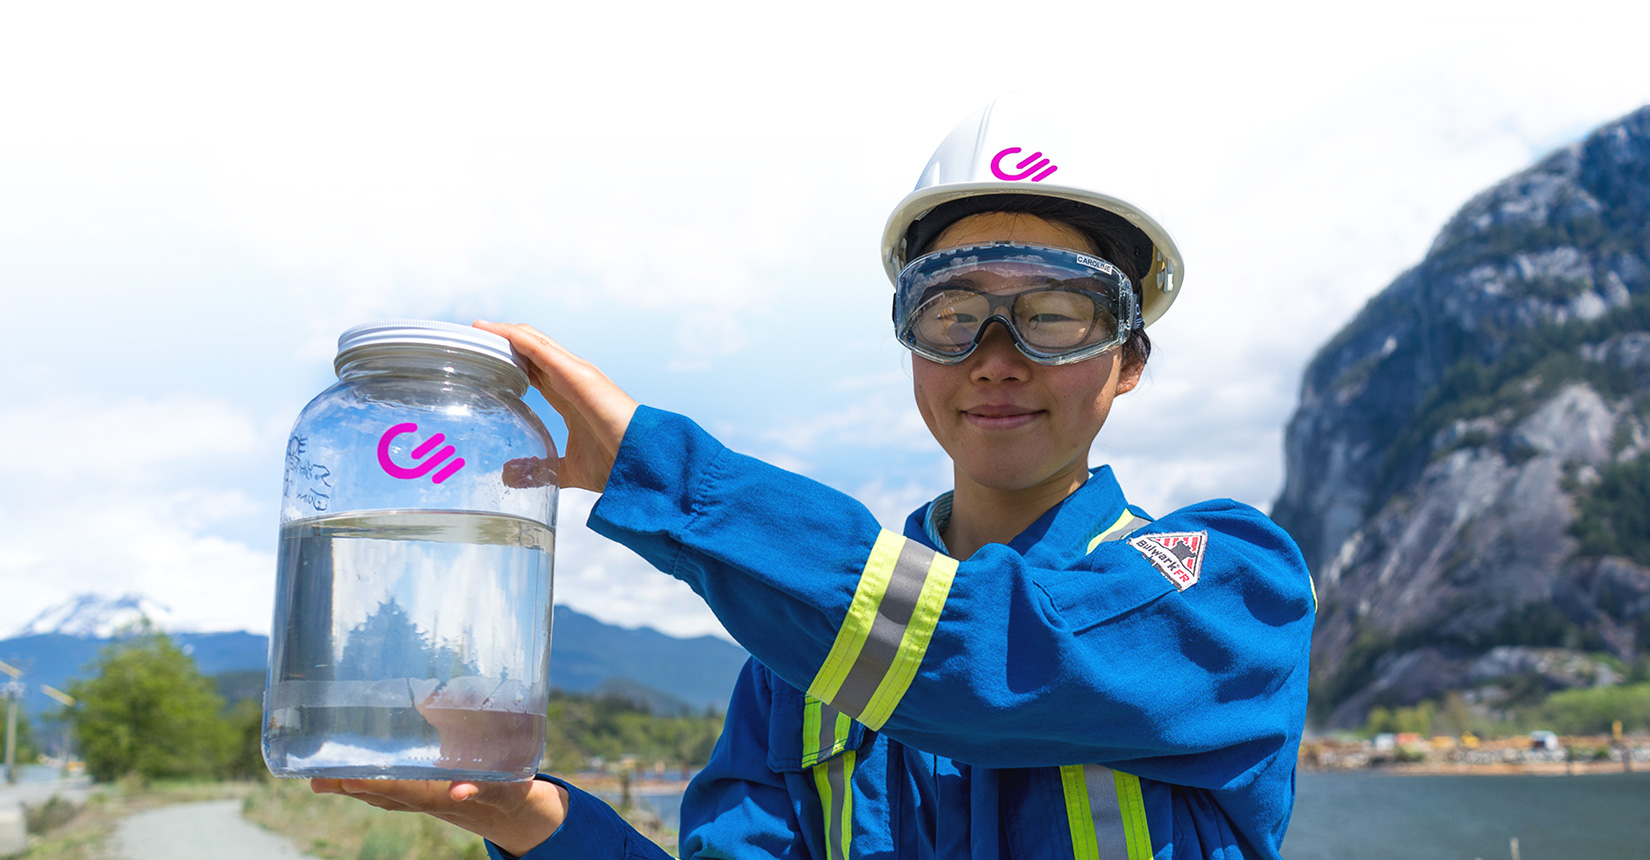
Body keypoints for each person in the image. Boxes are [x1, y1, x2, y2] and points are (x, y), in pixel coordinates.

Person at [310, 101, 1316, 860]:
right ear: (910, 344)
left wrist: (665, 476)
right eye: (952, 311)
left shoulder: (1231, 583)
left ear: (1129, 359)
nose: (996, 355)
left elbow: (994, 654)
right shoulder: (804, 664)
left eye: (1055, 314)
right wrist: (529, 814)